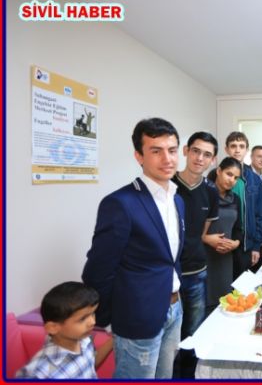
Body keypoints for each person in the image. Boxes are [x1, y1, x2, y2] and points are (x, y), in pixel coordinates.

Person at [82, 117, 185, 379]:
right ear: (139, 156)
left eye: (172, 150)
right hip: (138, 316)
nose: (167, 159)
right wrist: (113, 317)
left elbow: (170, 258)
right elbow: (98, 270)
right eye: (156, 151)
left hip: (174, 309)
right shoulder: (121, 203)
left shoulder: (177, 200)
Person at [171, 131, 219, 378]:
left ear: (213, 160)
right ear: (185, 151)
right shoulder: (167, 184)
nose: (200, 158)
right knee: (167, 338)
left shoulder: (211, 191)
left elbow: (202, 232)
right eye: (196, 151)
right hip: (167, 276)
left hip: (196, 272)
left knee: (193, 333)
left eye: (207, 154)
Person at [16, 282, 113, 379]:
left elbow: (89, 364)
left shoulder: (84, 339)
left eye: (93, 313)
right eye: (82, 319)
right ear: (53, 327)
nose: (93, 322)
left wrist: (113, 340)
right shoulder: (39, 373)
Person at [204, 158, 243, 315]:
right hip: (204, 256)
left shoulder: (235, 199)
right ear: (219, 171)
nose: (232, 180)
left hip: (225, 258)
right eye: (229, 174)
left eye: (236, 177)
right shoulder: (204, 194)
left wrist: (236, 243)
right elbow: (190, 229)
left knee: (224, 304)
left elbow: (238, 229)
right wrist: (207, 239)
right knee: (203, 305)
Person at [223, 132, 262, 278]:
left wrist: (256, 246)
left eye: (241, 146)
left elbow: (259, 215)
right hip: (222, 242)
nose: (237, 150)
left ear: (247, 150)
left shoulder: (255, 180)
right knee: (222, 288)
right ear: (226, 149)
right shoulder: (215, 176)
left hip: (246, 244)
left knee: (242, 288)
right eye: (233, 146)